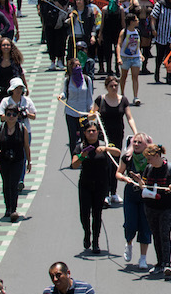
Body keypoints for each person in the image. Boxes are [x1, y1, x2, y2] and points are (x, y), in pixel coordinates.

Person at [72, 122, 120, 254]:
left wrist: (106, 149)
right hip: (85, 184)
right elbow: (74, 164)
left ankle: (95, 242)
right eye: (89, 131)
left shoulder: (103, 145)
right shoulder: (80, 147)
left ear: (98, 132)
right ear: (85, 133)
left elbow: (117, 153)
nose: (91, 133)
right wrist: (83, 155)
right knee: (84, 213)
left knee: (97, 213)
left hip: (100, 184)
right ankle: (87, 233)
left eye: (94, 131)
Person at [89, 75, 136, 205]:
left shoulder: (123, 100)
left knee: (116, 163)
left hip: (117, 135)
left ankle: (114, 192)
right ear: (106, 87)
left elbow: (129, 117)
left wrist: (135, 133)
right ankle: (105, 194)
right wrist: (94, 114)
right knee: (106, 164)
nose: (114, 88)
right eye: (111, 86)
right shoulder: (101, 100)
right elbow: (91, 116)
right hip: (103, 137)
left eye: (116, 85)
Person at [139, 143, 171, 277]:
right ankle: (159, 263)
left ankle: (167, 264)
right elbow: (143, 187)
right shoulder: (148, 169)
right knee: (156, 234)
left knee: (164, 234)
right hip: (151, 207)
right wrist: (139, 181)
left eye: (150, 158)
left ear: (157, 156)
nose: (148, 161)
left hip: (166, 207)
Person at [115, 133, 153, 271]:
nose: (136, 144)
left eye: (139, 142)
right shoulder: (127, 157)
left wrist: (142, 181)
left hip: (146, 195)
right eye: (134, 142)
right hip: (131, 193)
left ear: (146, 145)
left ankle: (143, 257)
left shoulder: (151, 159)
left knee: (145, 226)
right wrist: (125, 179)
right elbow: (118, 173)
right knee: (130, 223)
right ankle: (129, 243)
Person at [0, 102, 31, 222]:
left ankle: (13, 208)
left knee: (14, 184)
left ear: (17, 115)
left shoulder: (21, 128)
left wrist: (29, 161)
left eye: (14, 114)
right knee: (6, 184)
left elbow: (26, 146)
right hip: (3, 160)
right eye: (9, 114)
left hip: (18, 160)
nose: (11, 117)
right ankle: (7, 207)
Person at [57, 57, 94, 154]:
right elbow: (65, 93)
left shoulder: (87, 79)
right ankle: (74, 159)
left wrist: (91, 110)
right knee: (73, 138)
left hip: (83, 113)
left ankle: (84, 158)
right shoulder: (68, 80)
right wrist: (61, 96)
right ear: (71, 68)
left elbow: (90, 96)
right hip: (71, 113)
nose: (78, 67)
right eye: (75, 66)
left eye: (79, 65)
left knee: (84, 137)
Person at [117, 12, 142, 105]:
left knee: (135, 77)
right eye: (136, 20)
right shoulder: (124, 32)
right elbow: (119, 45)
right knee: (124, 76)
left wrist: (140, 54)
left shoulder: (137, 31)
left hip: (135, 57)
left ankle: (136, 97)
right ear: (131, 22)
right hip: (125, 57)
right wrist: (119, 57)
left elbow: (137, 45)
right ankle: (122, 94)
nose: (138, 21)